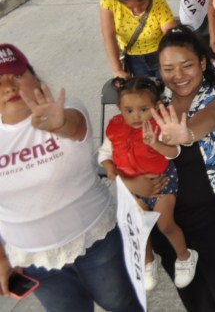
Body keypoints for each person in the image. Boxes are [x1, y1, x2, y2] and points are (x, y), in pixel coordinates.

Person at [0, 43, 141, 311]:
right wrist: (1, 260)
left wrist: (60, 123)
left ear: (34, 77)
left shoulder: (67, 108)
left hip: (96, 242)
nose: (9, 87)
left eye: (16, 75)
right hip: (35, 261)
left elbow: (75, 126)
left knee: (121, 303)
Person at [136, 26, 215, 311]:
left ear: (203, 63)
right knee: (196, 300)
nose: (178, 75)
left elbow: (214, 117)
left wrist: (188, 133)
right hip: (165, 221)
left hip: (212, 217)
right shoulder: (152, 104)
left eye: (187, 65)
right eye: (168, 69)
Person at [100, 76, 197, 291]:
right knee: (139, 224)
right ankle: (148, 261)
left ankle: (185, 256)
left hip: (161, 181)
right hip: (131, 185)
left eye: (143, 109)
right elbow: (105, 153)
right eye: (129, 110)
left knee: (165, 223)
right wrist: (109, 168)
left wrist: (155, 144)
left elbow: (174, 152)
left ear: (156, 106)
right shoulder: (115, 127)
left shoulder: (159, 125)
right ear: (119, 108)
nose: (136, 116)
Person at [99, 0, 177, 79]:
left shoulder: (157, 1)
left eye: (142, 4)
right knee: (142, 88)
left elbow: (171, 34)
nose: (137, 10)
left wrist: (173, 58)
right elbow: (108, 36)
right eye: (130, 7)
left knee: (168, 86)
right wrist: (117, 70)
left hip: (161, 54)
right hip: (133, 59)